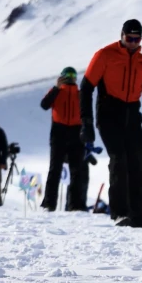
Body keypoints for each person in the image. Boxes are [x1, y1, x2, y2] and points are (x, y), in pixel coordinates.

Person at [80, 20, 142, 227]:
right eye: (129, 38)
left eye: (137, 39)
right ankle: (120, 213)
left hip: (132, 115)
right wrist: (87, 123)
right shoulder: (105, 55)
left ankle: (137, 218)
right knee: (119, 160)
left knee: (136, 165)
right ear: (122, 35)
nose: (133, 42)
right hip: (108, 113)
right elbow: (86, 88)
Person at [41, 67, 89, 212]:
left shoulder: (80, 94)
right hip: (59, 131)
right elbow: (44, 105)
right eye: (66, 75)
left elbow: (87, 113)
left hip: (76, 133)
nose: (69, 78)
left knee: (77, 170)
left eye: (72, 75)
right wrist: (56, 87)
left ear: (76, 78)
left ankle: (75, 205)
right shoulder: (56, 92)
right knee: (55, 168)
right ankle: (49, 204)